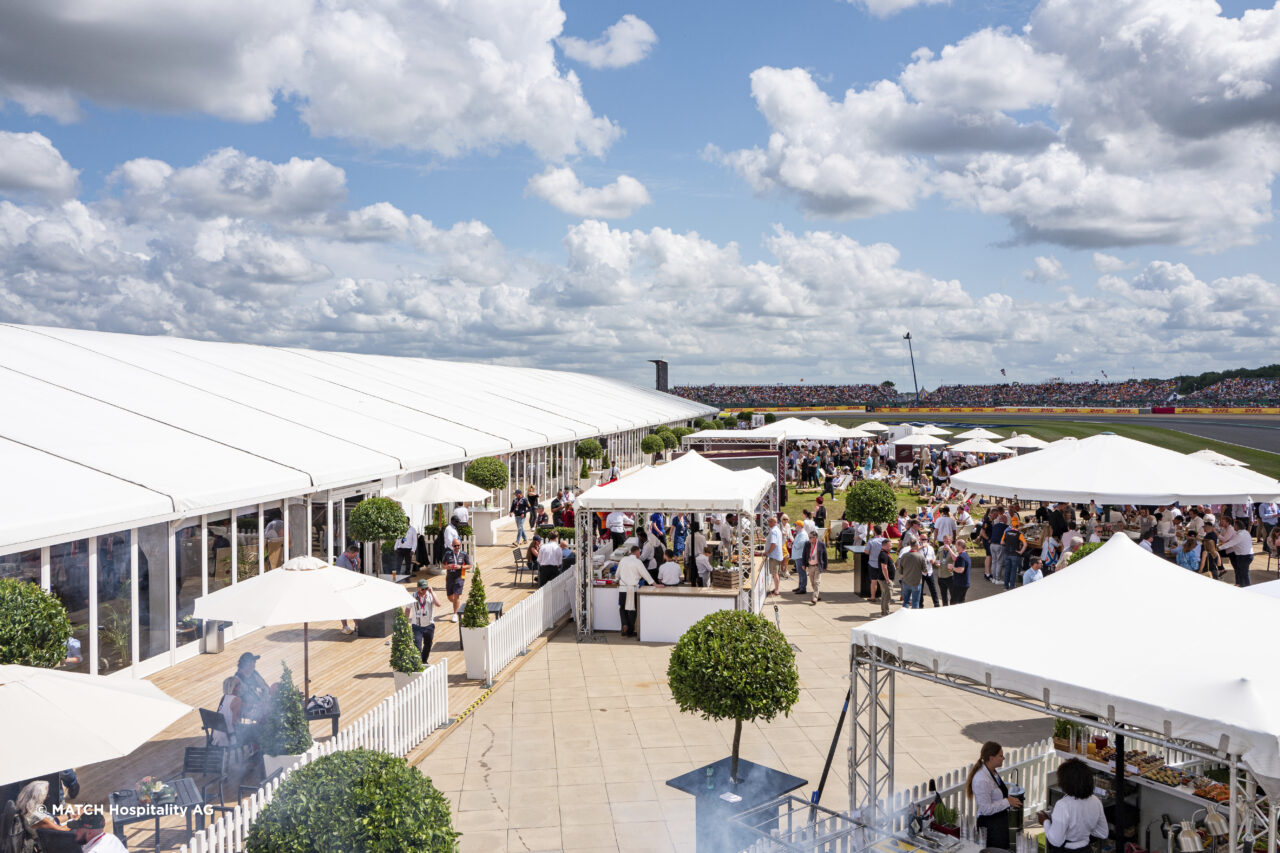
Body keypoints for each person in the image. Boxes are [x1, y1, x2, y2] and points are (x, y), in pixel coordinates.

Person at [1037, 758, 1108, 853]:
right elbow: (1103, 833)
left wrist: (1045, 821)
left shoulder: (1063, 805)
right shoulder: (1096, 801)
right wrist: (1084, 829)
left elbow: (1056, 841)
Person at [967, 741, 1019, 850]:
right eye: (1000, 756)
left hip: (999, 823)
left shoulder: (993, 772)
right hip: (990, 827)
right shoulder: (981, 780)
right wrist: (1007, 802)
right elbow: (986, 809)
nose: (1003, 758)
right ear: (991, 758)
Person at [616, 545, 658, 638]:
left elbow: (617, 574)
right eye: (640, 552)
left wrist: (618, 578)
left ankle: (624, 625)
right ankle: (630, 631)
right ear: (637, 552)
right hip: (633, 589)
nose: (640, 554)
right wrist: (655, 584)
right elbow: (646, 575)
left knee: (622, 608)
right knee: (632, 610)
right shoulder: (638, 562)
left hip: (622, 588)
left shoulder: (623, 560)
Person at [405, 579, 442, 663]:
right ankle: (418, 662)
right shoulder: (412, 596)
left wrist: (432, 592)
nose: (424, 590)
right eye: (422, 589)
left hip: (429, 625)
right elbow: (407, 609)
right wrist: (404, 621)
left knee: (428, 645)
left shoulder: (430, 595)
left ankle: (424, 660)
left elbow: (438, 604)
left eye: (426, 588)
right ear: (418, 588)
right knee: (417, 646)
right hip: (416, 626)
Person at [234, 652, 271, 720]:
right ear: (244, 665)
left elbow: (265, 685)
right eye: (251, 663)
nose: (253, 665)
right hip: (251, 712)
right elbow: (238, 703)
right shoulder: (237, 680)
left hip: (264, 704)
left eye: (254, 662)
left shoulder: (254, 673)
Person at [801, 521, 828, 605]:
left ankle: (814, 598)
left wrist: (825, 566)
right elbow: (804, 554)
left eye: (810, 537)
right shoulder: (807, 544)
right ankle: (817, 594)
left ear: (815, 538)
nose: (809, 539)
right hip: (810, 566)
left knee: (817, 582)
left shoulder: (821, 545)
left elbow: (825, 556)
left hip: (818, 566)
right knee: (812, 582)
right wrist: (803, 564)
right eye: (808, 537)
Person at [443, 539, 470, 622]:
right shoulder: (447, 554)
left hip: (459, 577)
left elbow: (469, 565)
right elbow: (442, 565)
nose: (457, 547)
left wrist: (461, 567)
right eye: (455, 545)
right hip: (449, 577)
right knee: (450, 597)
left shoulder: (464, 554)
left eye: (458, 545)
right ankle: (457, 604)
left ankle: (455, 614)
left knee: (456, 595)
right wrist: (448, 567)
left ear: (460, 545)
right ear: (452, 546)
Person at [898, 541, 926, 609]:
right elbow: (925, 570)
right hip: (916, 582)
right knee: (915, 602)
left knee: (906, 601)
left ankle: (904, 615)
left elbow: (900, 571)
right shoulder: (920, 556)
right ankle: (914, 617)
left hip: (906, 581)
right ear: (916, 546)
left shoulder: (904, 556)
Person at [764, 516, 784, 596]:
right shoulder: (777, 530)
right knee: (776, 573)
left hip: (774, 555)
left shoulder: (773, 531)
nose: (768, 523)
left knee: (775, 573)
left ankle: (776, 591)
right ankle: (776, 589)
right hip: (777, 554)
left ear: (773, 522)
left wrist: (768, 552)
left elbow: (774, 544)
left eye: (769, 521)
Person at [791, 521, 810, 595]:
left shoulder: (803, 534)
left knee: (802, 572)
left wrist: (794, 544)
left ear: (799, 526)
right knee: (800, 572)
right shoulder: (800, 533)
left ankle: (803, 588)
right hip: (798, 555)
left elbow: (801, 544)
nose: (795, 527)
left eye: (795, 525)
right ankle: (800, 586)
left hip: (800, 555)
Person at [950, 538, 972, 603]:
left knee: (953, 602)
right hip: (964, 583)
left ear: (959, 546)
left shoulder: (961, 557)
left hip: (960, 584)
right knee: (961, 602)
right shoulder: (965, 555)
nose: (955, 547)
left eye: (956, 545)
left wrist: (952, 567)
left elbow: (961, 570)